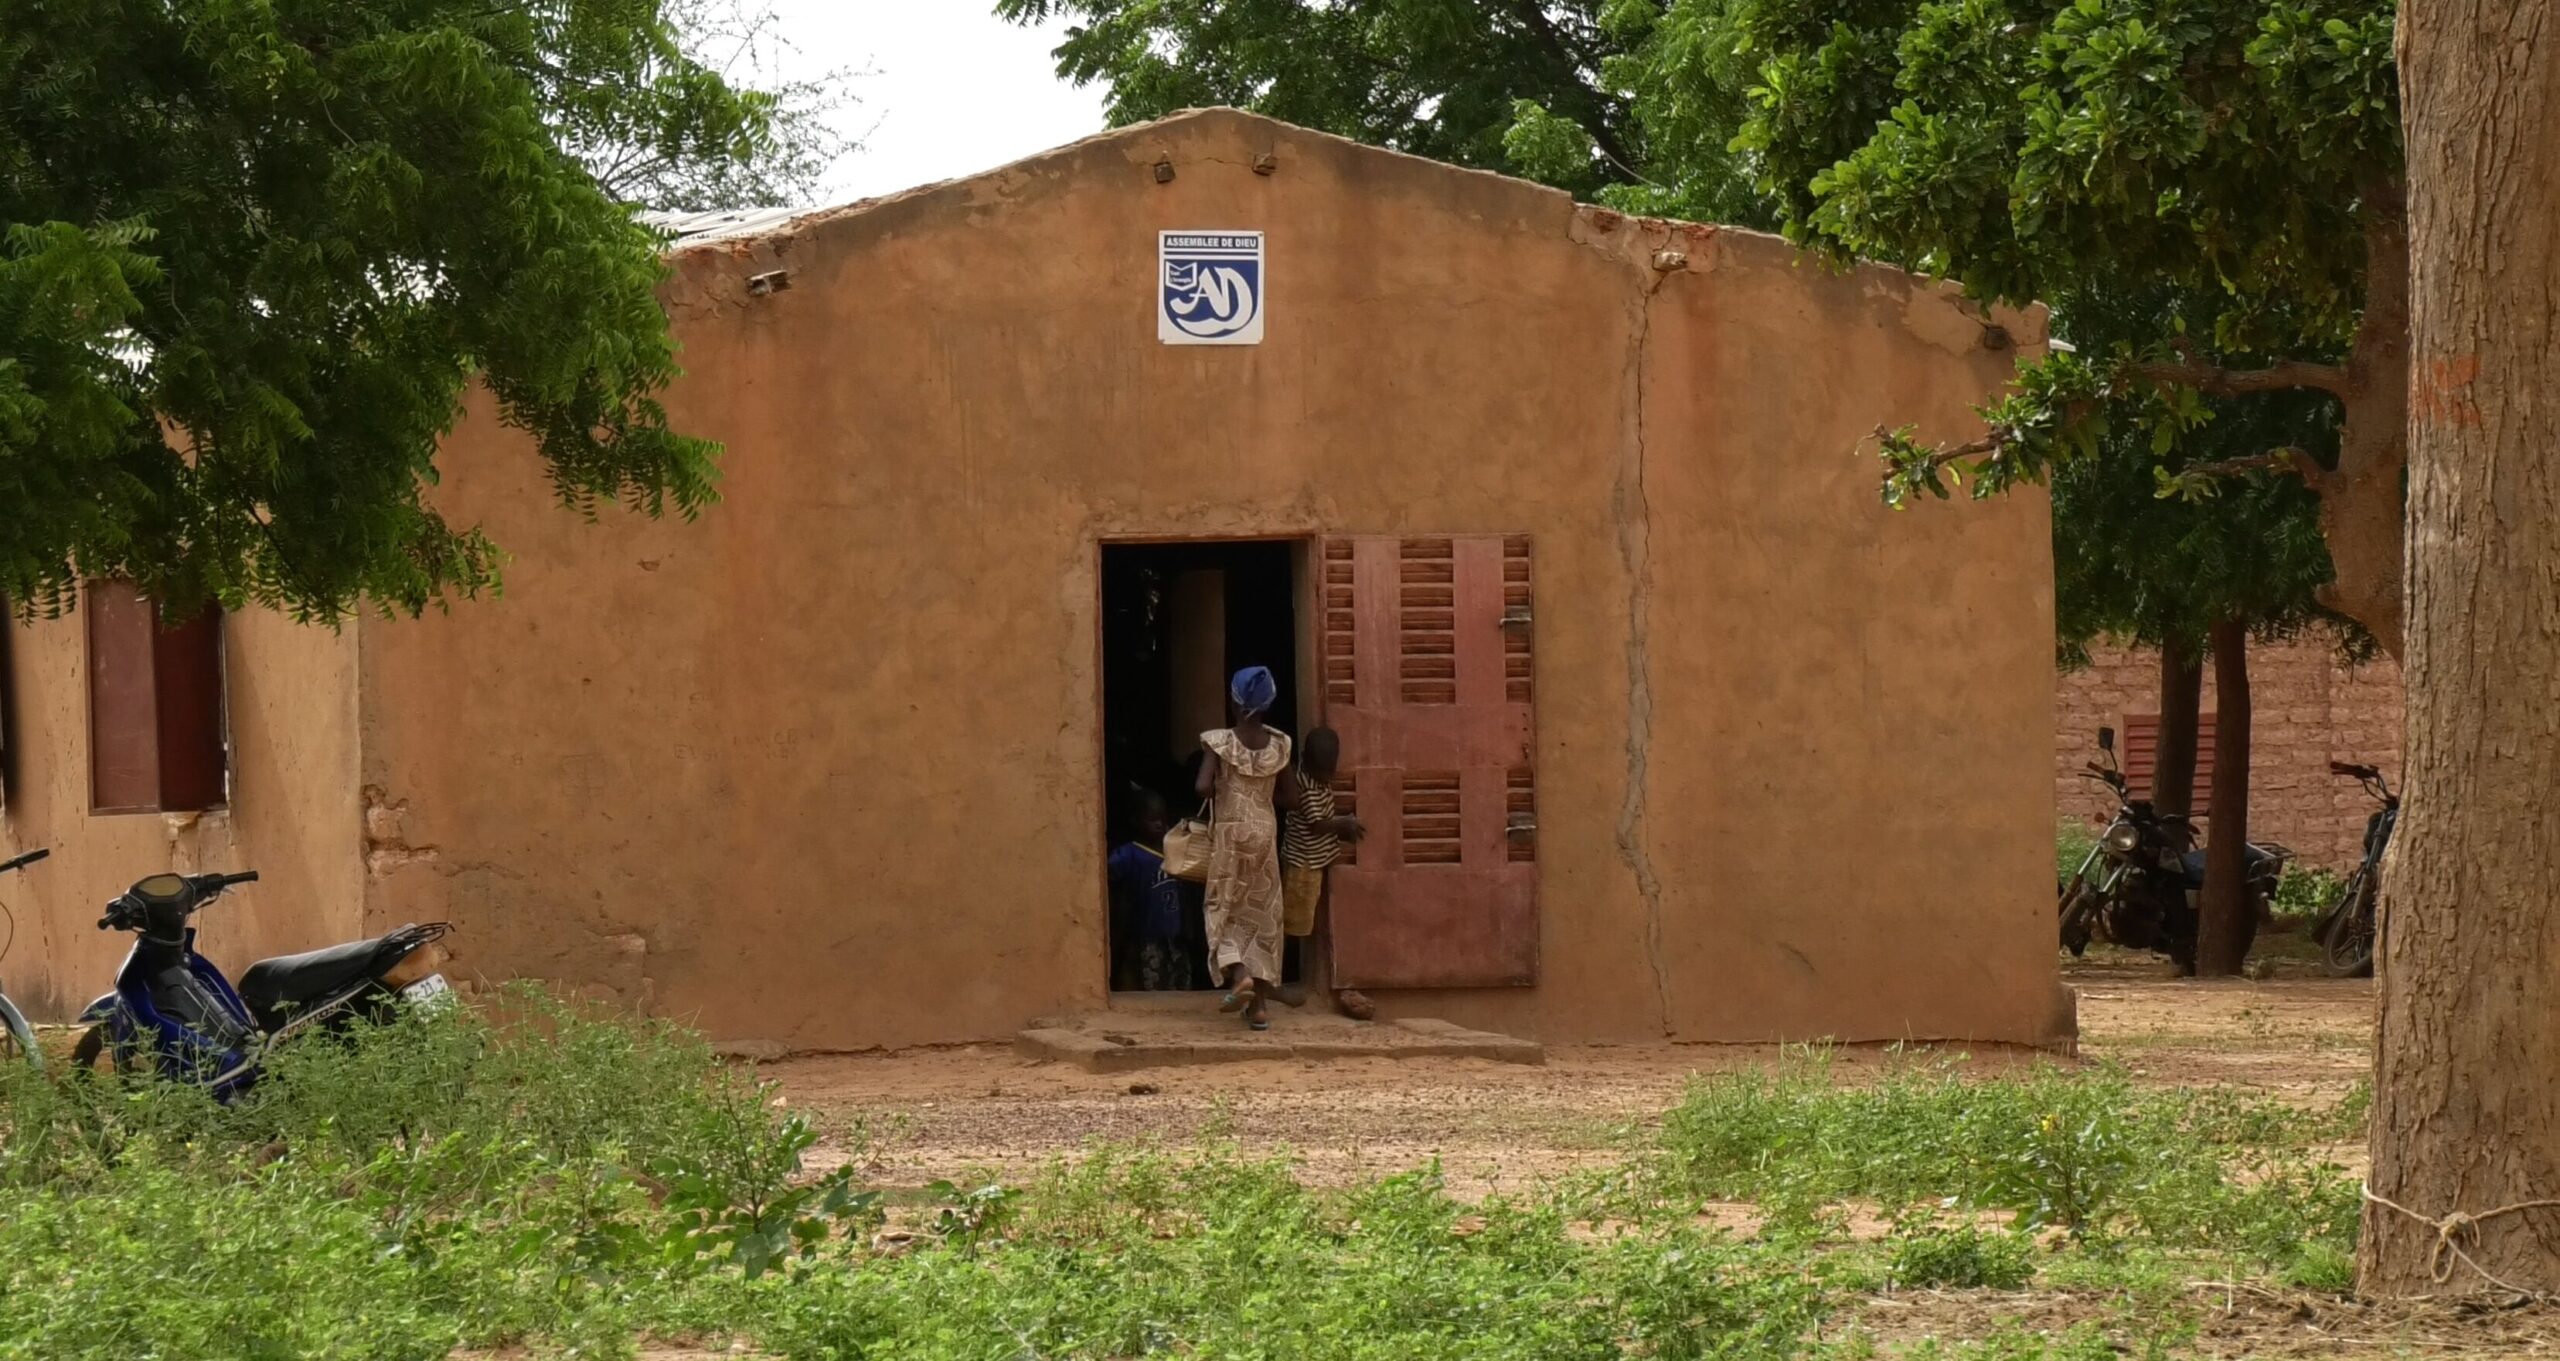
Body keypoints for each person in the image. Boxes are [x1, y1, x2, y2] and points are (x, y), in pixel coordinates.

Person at [1195, 665, 1294, 1030]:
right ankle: (1259, 1008)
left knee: (1222, 907)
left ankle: (1239, 975)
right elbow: (1293, 798)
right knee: (1262, 916)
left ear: (1233, 701)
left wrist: (1224, 781)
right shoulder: (1280, 744)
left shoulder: (1220, 742)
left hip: (1230, 838)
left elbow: (1202, 787)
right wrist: (1261, 796)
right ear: (1268, 703)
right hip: (1264, 834)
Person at [1279, 727, 1373, 1019]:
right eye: (1323, 772)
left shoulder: (1317, 778)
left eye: (1330, 771)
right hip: (1302, 864)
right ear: (1306, 761)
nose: (1327, 777)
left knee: (1307, 919)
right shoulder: (1303, 783)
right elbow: (1317, 824)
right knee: (1295, 923)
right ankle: (1290, 978)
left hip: (1314, 862)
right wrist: (1343, 824)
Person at [1106, 790, 1187, 991]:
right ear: (1136, 821)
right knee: (1150, 982)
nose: (1160, 824)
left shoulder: (1175, 851)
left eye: (1163, 819)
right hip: (1146, 935)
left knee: (1179, 982)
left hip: (1175, 935)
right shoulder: (1128, 855)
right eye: (1153, 819)